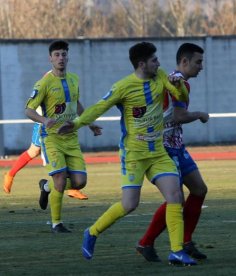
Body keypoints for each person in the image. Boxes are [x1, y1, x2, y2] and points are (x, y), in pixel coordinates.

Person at [58, 42, 197, 266]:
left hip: (158, 153)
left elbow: (180, 97)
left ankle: (177, 251)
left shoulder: (161, 76)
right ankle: (92, 232)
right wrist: (76, 124)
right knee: (129, 204)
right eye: (154, 60)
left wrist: (178, 84)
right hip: (134, 154)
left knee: (175, 197)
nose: (159, 63)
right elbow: (98, 107)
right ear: (142, 64)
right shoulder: (123, 87)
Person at [136, 43, 209, 262]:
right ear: (184, 61)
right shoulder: (177, 82)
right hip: (164, 147)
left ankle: (186, 242)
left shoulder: (180, 81)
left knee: (199, 189)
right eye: (198, 62)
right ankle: (145, 242)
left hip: (176, 145)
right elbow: (178, 116)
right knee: (174, 199)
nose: (201, 67)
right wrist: (200, 114)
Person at [25, 40, 101, 233]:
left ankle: (46, 187)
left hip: (71, 138)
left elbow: (77, 104)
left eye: (64, 54)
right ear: (50, 58)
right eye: (57, 55)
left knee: (80, 182)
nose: (61, 58)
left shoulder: (74, 79)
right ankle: (56, 223)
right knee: (60, 178)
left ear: (68, 57)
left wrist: (90, 123)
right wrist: (44, 120)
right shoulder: (44, 83)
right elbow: (28, 110)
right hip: (52, 138)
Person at [3, 123, 89, 201]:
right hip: (44, 125)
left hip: (60, 122)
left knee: (64, 149)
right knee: (34, 151)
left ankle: (72, 188)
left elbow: (76, 105)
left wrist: (88, 121)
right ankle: (10, 174)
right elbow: (30, 110)